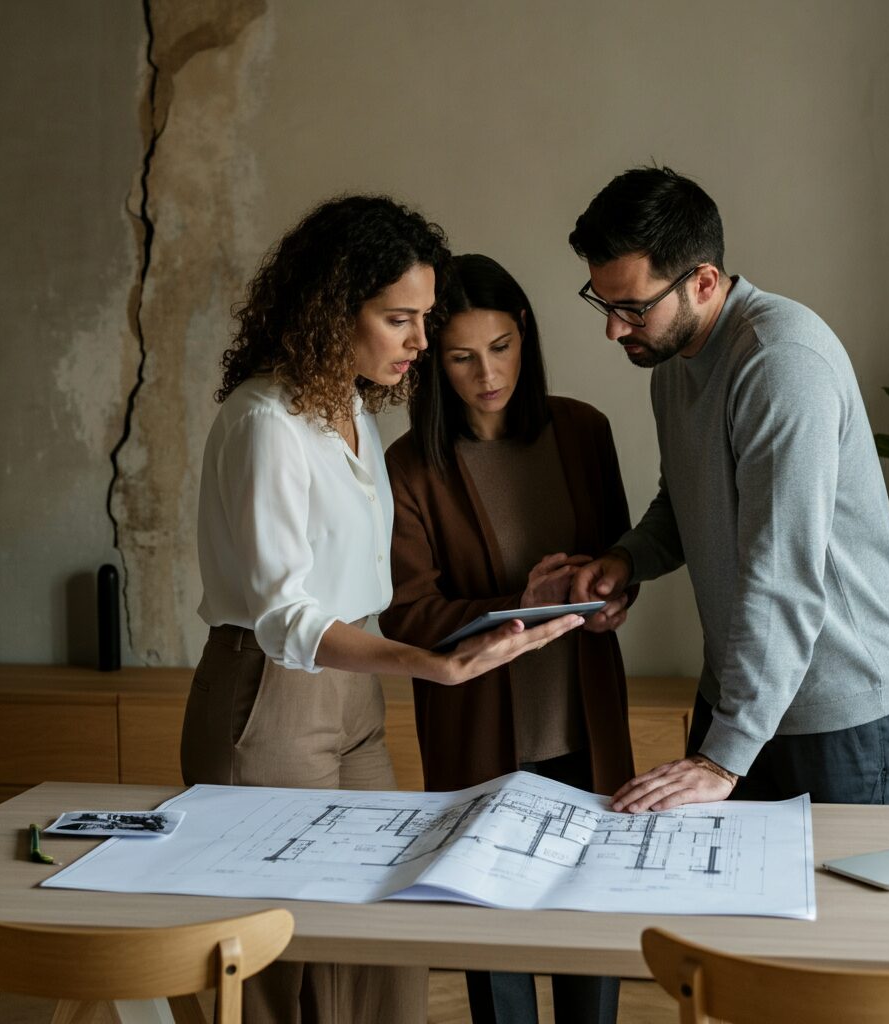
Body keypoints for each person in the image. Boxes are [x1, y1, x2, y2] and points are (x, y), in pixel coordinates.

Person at [179, 199, 583, 1024]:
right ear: (333, 311)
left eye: (424, 319)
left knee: (381, 935)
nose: (421, 342)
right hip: (272, 693)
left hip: (355, 693)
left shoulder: (353, 411)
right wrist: (429, 664)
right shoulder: (264, 422)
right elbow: (285, 618)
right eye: (400, 319)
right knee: (278, 959)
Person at [568, 166, 889, 813]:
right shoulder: (672, 362)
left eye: (633, 308)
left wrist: (721, 756)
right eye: (604, 303)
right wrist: (625, 560)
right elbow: (686, 505)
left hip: (840, 710)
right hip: (744, 697)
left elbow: (782, 573)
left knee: (835, 888)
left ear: (704, 281)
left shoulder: (779, 362)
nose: (614, 329)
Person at [379, 253, 634, 1024]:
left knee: (590, 928)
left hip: (584, 725)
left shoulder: (584, 431)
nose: (487, 375)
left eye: (500, 347)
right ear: (433, 359)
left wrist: (612, 599)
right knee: (494, 955)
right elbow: (406, 614)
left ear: (524, 332)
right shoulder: (411, 466)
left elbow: (620, 558)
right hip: (481, 732)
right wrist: (518, 603)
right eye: (461, 357)